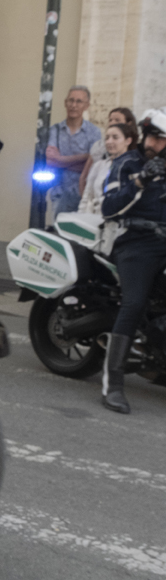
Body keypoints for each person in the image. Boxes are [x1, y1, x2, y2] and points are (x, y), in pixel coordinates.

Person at [98, 108, 166, 414]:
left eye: (161, 138)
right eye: (152, 135)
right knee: (135, 302)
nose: (155, 142)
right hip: (134, 242)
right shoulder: (128, 163)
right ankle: (112, 384)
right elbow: (109, 207)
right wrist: (140, 182)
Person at [46, 86, 102, 217]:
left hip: (84, 194)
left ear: (86, 105)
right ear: (65, 102)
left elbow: (93, 165)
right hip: (60, 191)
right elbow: (51, 161)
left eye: (79, 101)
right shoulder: (55, 130)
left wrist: (61, 160)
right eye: (71, 100)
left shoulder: (94, 132)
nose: (74, 105)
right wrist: (84, 157)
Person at [80, 121, 137, 215]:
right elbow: (87, 197)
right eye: (107, 138)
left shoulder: (133, 166)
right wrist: (80, 217)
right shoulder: (98, 166)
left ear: (128, 141)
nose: (109, 141)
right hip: (94, 220)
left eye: (115, 137)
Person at [79, 107, 136, 196]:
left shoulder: (135, 158)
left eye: (117, 120)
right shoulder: (99, 150)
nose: (112, 123)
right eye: (110, 120)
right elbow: (85, 176)